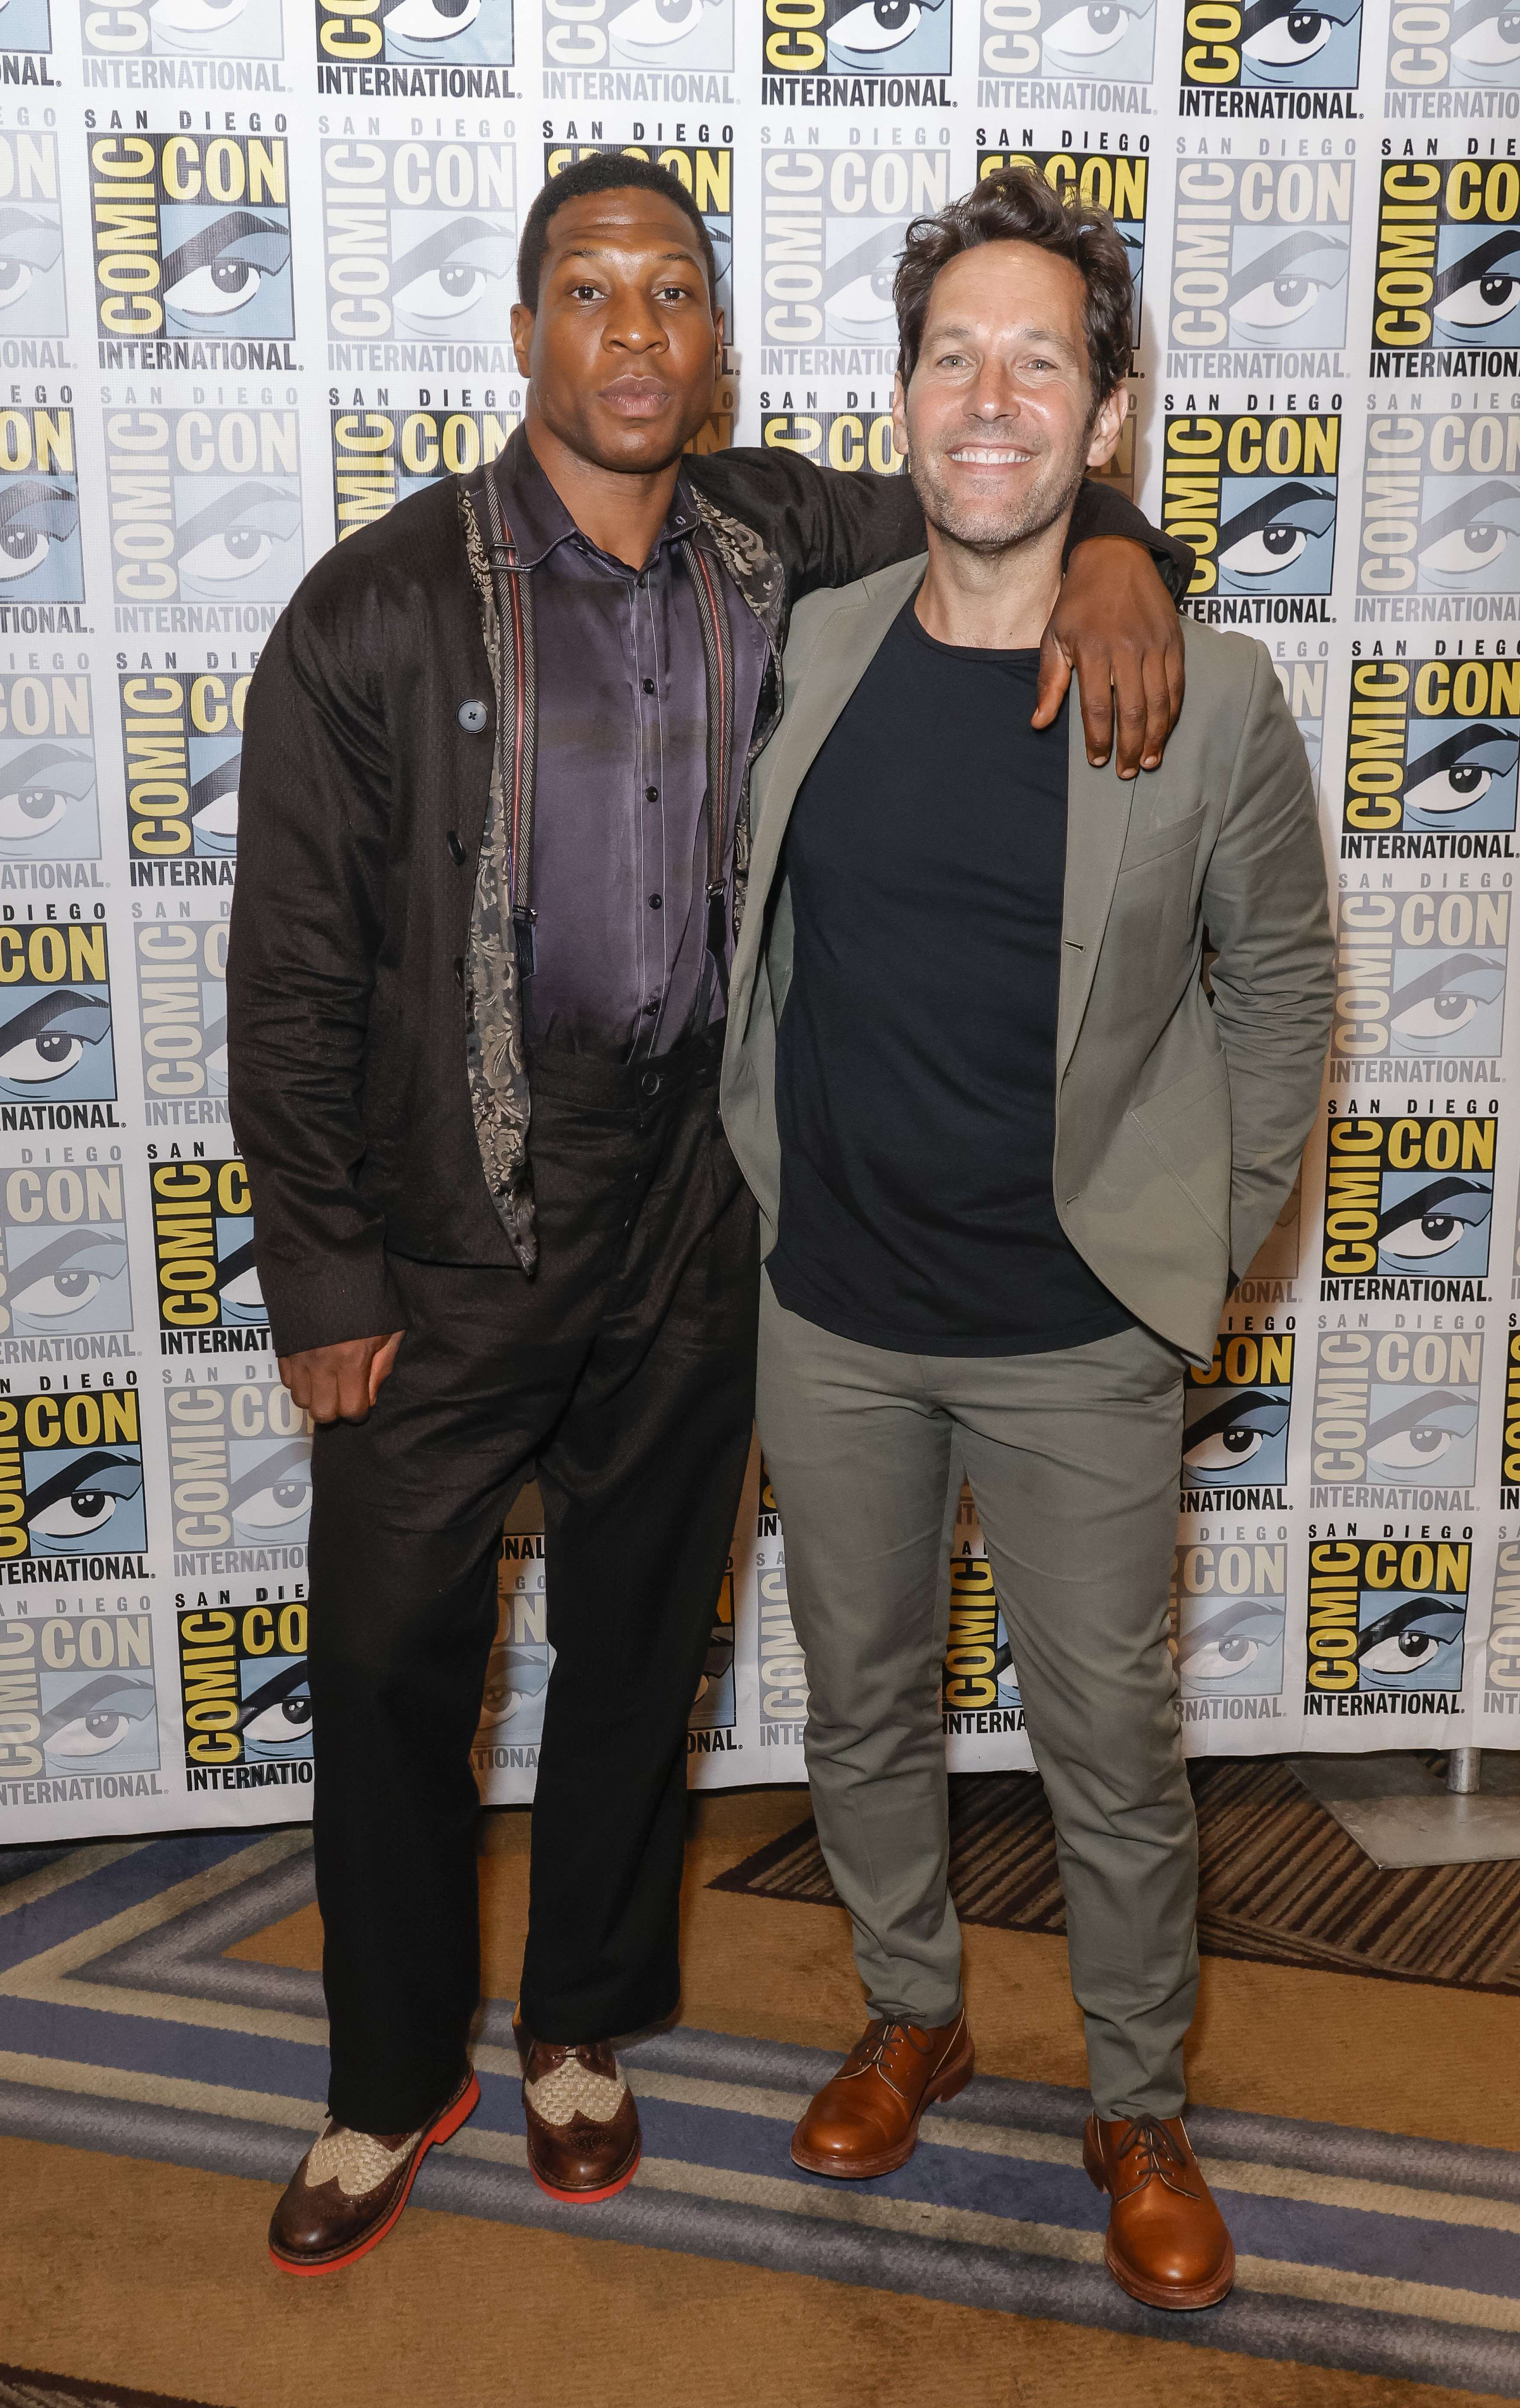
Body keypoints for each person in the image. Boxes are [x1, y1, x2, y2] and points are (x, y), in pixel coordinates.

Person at [227, 148, 1193, 2277]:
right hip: (448, 1208)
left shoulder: (778, 535)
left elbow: (998, 495)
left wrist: (1127, 549)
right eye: (590, 291)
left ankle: (580, 2026)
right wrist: (321, 1267)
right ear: (522, 335)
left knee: (640, 1643)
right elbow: (288, 970)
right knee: (384, 1659)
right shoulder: (375, 606)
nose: (635, 330)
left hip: (700, 1196)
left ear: (719, 341)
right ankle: (389, 2074)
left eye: (673, 291)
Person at [720, 165, 1335, 2313]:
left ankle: (1137, 2104)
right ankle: (913, 2012)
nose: (990, 398)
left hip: (1078, 1330)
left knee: (1110, 1747)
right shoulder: (812, 645)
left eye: (1040, 363)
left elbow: (1282, 988)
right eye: (952, 357)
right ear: (901, 398)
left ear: (1107, 412)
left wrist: (1201, 1253)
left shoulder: (1211, 695)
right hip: (836, 1310)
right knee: (863, 1704)